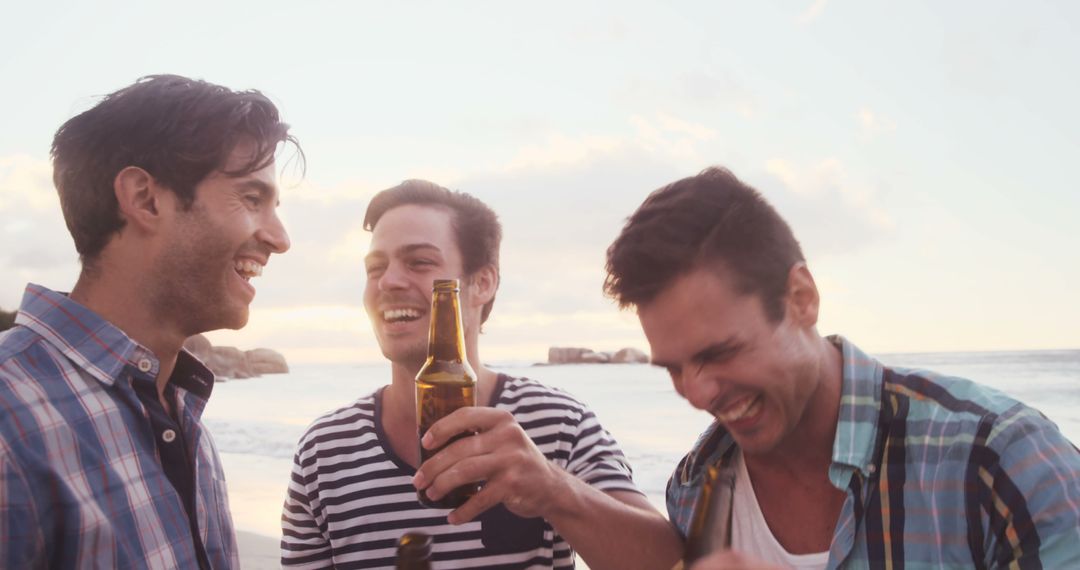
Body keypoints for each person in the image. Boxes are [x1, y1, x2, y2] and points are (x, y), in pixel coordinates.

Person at [603, 167, 1080, 569]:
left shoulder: (999, 460)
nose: (699, 393)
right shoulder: (695, 483)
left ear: (800, 299)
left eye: (719, 353)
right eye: (674, 369)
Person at [281, 180, 681, 569]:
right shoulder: (324, 452)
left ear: (482, 284)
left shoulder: (560, 422)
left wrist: (552, 490)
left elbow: (672, 562)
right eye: (375, 267)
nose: (389, 281)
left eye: (419, 262)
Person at [0, 75, 300, 568]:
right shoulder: (12, 427)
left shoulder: (182, 421)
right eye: (251, 198)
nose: (280, 238)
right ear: (144, 198)